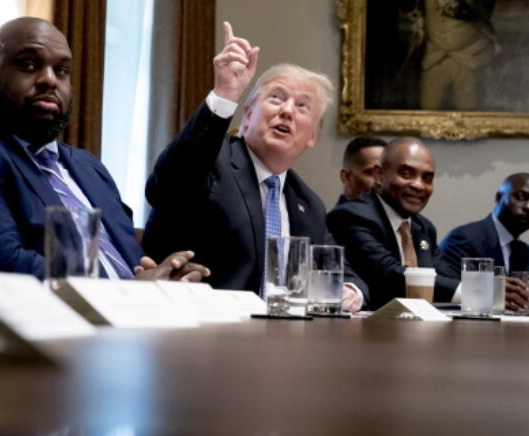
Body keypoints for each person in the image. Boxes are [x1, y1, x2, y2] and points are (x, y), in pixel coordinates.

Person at [0, 16, 205, 282]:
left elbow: (132, 259)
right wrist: (126, 292)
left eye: (61, 70)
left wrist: (163, 275)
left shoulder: (89, 167)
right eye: (28, 64)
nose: (49, 79)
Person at [142, 23, 366, 309]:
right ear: (246, 116)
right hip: (198, 329)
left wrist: (350, 289)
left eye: (302, 106)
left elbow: (338, 268)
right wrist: (225, 94)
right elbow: (167, 186)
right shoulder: (211, 160)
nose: (286, 110)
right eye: (276, 98)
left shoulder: (308, 204)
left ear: (312, 136)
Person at [327, 137, 457, 310]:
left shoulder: (423, 227)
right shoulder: (351, 216)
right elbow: (390, 274)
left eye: (427, 178)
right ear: (379, 175)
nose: (419, 185)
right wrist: (470, 292)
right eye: (406, 174)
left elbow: (445, 274)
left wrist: (485, 288)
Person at [436, 173, 529, 311]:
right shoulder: (464, 239)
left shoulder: (528, 254)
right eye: (521, 197)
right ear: (499, 198)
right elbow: (449, 294)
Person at [335, 135, 386, 207]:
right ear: (346, 177)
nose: (381, 182)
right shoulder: (341, 216)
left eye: (385, 173)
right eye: (371, 173)